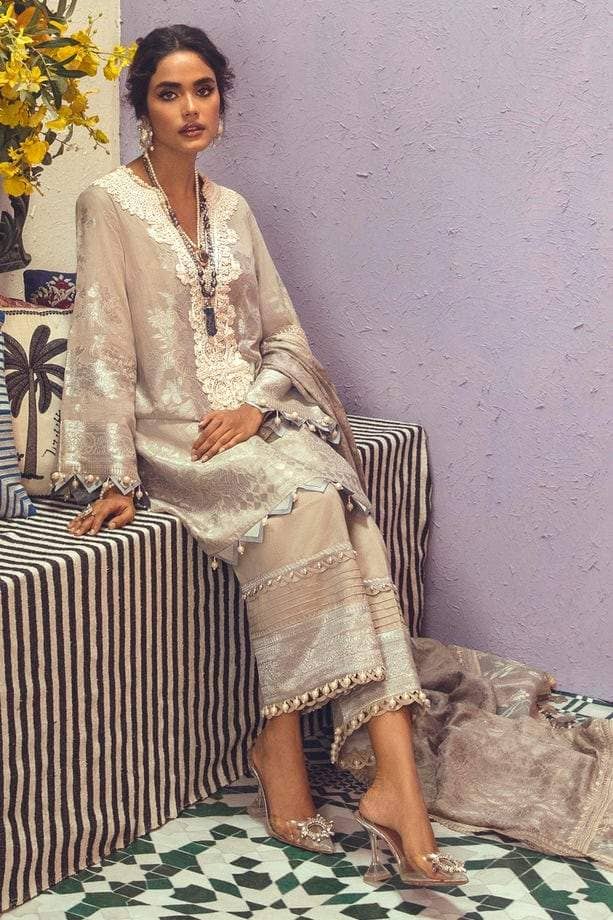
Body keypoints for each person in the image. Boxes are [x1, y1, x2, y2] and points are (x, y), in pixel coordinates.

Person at [51, 24, 612, 881]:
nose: (190, 108)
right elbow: (100, 341)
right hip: (173, 438)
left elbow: (284, 337)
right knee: (314, 497)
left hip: (249, 425)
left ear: (222, 100)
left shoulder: (233, 211)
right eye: (169, 93)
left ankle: (376, 779)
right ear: (142, 109)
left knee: (338, 499)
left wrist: (256, 405)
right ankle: (316, 758)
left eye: (203, 89)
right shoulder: (108, 203)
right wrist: (113, 475)